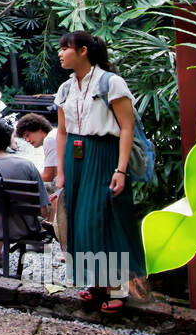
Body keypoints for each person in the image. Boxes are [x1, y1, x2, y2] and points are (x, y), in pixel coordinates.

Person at [54, 31, 147, 314]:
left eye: (65, 48)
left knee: (104, 218)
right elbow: (61, 131)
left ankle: (117, 287)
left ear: (83, 51)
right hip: (75, 155)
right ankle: (97, 284)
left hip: (104, 154)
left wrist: (120, 169)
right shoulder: (65, 88)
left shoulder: (111, 83)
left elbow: (127, 128)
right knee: (81, 221)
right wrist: (61, 170)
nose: (60, 53)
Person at [0, 118, 51, 268]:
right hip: (24, 228)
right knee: (7, 211)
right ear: (8, 142)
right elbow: (44, 210)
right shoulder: (28, 166)